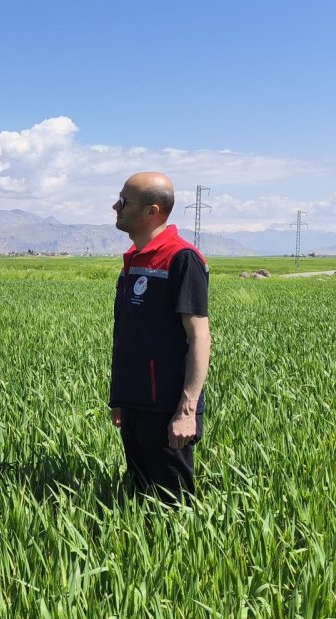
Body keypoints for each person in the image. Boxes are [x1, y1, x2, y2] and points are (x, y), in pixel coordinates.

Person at [108, 172, 212, 502]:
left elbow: (199, 336)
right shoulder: (136, 259)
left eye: (124, 202)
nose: (116, 206)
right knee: (138, 496)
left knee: (173, 505)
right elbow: (133, 334)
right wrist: (120, 396)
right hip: (135, 401)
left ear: (152, 211)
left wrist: (186, 410)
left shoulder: (181, 258)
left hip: (167, 407)